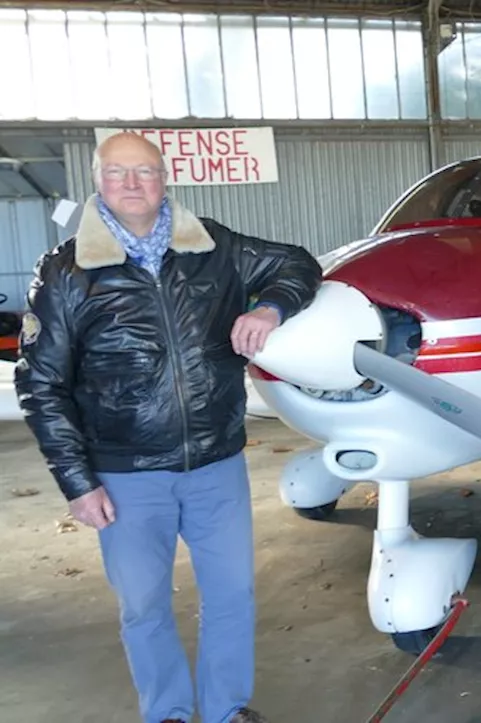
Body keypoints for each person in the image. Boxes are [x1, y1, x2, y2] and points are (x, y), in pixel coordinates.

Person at [13, 132, 322, 723]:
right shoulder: (65, 270)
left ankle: (229, 708)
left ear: (165, 179)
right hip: (124, 473)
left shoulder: (213, 245)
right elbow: (42, 384)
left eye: (145, 172)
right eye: (118, 173)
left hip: (216, 463)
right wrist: (78, 482)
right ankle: (168, 713)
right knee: (144, 607)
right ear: (98, 181)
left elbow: (296, 263)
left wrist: (269, 307)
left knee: (232, 596)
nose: (132, 184)